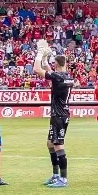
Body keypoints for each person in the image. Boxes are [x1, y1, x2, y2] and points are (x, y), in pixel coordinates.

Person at [34, 52, 74, 187]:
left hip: (59, 115)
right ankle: (56, 175)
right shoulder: (67, 77)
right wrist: (45, 60)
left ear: (56, 64)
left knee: (58, 144)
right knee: (50, 143)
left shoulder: (57, 77)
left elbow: (36, 69)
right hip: (61, 114)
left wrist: (40, 55)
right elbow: (51, 73)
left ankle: (63, 179)